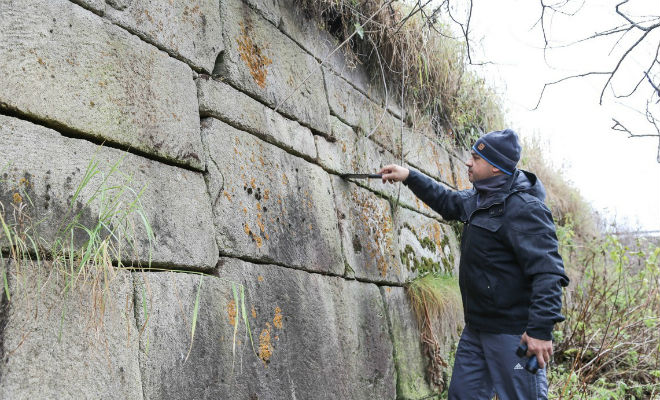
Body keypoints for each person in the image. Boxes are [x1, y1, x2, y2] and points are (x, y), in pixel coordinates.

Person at [379, 129, 569, 400]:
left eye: (476, 158)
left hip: (512, 339)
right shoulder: (480, 199)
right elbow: (446, 201)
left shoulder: (524, 209)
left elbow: (548, 272)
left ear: (494, 167)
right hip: (476, 331)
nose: (469, 162)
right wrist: (409, 176)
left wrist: (540, 331)